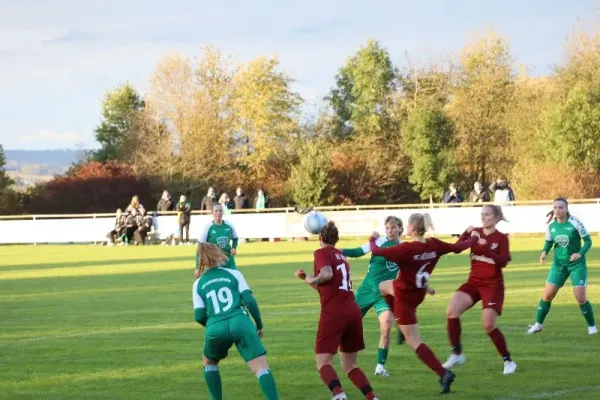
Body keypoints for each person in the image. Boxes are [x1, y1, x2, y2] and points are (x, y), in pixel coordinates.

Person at [372, 213, 482, 394]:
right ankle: (400, 324)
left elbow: (377, 251)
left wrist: (373, 238)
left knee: (414, 342)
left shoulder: (407, 249)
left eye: (408, 224)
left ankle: (443, 373)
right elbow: (457, 247)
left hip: (405, 296)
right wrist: (472, 237)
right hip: (417, 293)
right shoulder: (434, 244)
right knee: (383, 286)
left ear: (413, 228)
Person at [294, 221, 379, 400]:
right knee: (350, 365)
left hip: (335, 312)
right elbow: (326, 287)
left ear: (320, 238)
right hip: (353, 311)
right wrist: (306, 278)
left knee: (323, 363)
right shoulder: (341, 256)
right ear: (336, 238)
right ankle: (372, 397)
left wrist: (312, 279)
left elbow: (326, 275)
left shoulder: (321, 252)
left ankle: (339, 396)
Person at [193, 242, 279, 400]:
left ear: (201, 259)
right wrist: (258, 325)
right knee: (260, 368)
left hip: (214, 327)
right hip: (240, 321)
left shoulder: (198, 284)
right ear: (218, 254)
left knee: (209, 362)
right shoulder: (234, 274)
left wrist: (213, 324)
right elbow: (250, 301)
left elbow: (198, 316)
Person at [442, 205, 517, 375]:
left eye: (487, 215)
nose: (483, 218)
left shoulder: (501, 238)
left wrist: (485, 248)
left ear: (496, 217)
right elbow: (456, 248)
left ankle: (508, 361)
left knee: (488, 325)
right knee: (451, 311)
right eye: (482, 214)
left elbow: (503, 262)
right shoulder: (475, 232)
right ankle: (457, 354)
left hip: (492, 284)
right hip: (474, 282)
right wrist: (465, 233)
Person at [340, 216, 403, 377]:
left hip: (384, 293)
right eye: (387, 228)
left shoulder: (403, 248)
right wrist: (337, 252)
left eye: (393, 228)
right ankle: (331, 355)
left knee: (386, 327)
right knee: (347, 324)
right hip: (367, 289)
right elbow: (357, 252)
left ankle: (380, 367)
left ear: (400, 229)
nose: (390, 231)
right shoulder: (379, 242)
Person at [526, 198, 597, 335]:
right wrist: (544, 252)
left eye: (561, 208)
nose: (558, 210)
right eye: (555, 208)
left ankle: (592, 327)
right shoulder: (551, 226)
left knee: (580, 296)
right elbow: (549, 242)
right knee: (547, 295)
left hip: (577, 265)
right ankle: (538, 325)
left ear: (566, 209)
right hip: (558, 265)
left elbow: (588, 241)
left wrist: (580, 253)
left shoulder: (575, 223)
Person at [196, 204, 239, 273]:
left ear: (223, 212)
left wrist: (234, 248)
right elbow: (199, 248)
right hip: (214, 262)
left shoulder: (229, 226)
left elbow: (235, 238)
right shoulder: (208, 228)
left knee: (234, 280)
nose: (218, 213)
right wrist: (197, 268)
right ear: (212, 213)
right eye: (216, 211)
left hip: (228, 261)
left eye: (220, 211)